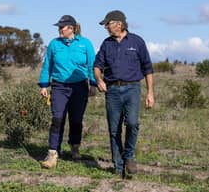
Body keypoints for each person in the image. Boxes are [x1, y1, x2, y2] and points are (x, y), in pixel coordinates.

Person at [93, 10, 154, 176]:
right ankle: (118, 167)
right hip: (112, 91)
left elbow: (148, 68)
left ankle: (129, 156)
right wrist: (99, 80)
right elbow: (97, 66)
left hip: (132, 89)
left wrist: (150, 93)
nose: (106, 27)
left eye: (108, 24)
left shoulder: (137, 41)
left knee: (133, 123)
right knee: (114, 130)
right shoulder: (106, 44)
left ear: (119, 24)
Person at [38, 15, 97, 169]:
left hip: (80, 87)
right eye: (59, 27)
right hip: (59, 87)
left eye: (62, 27)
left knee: (76, 119)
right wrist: (44, 85)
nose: (59, 30)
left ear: (71, 28)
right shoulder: (54, 44)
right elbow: (47, 65)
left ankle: (75, 147)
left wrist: (93, 84)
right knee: (57, 119)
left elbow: (92, 65)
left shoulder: (85, 44)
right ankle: (52, 153)